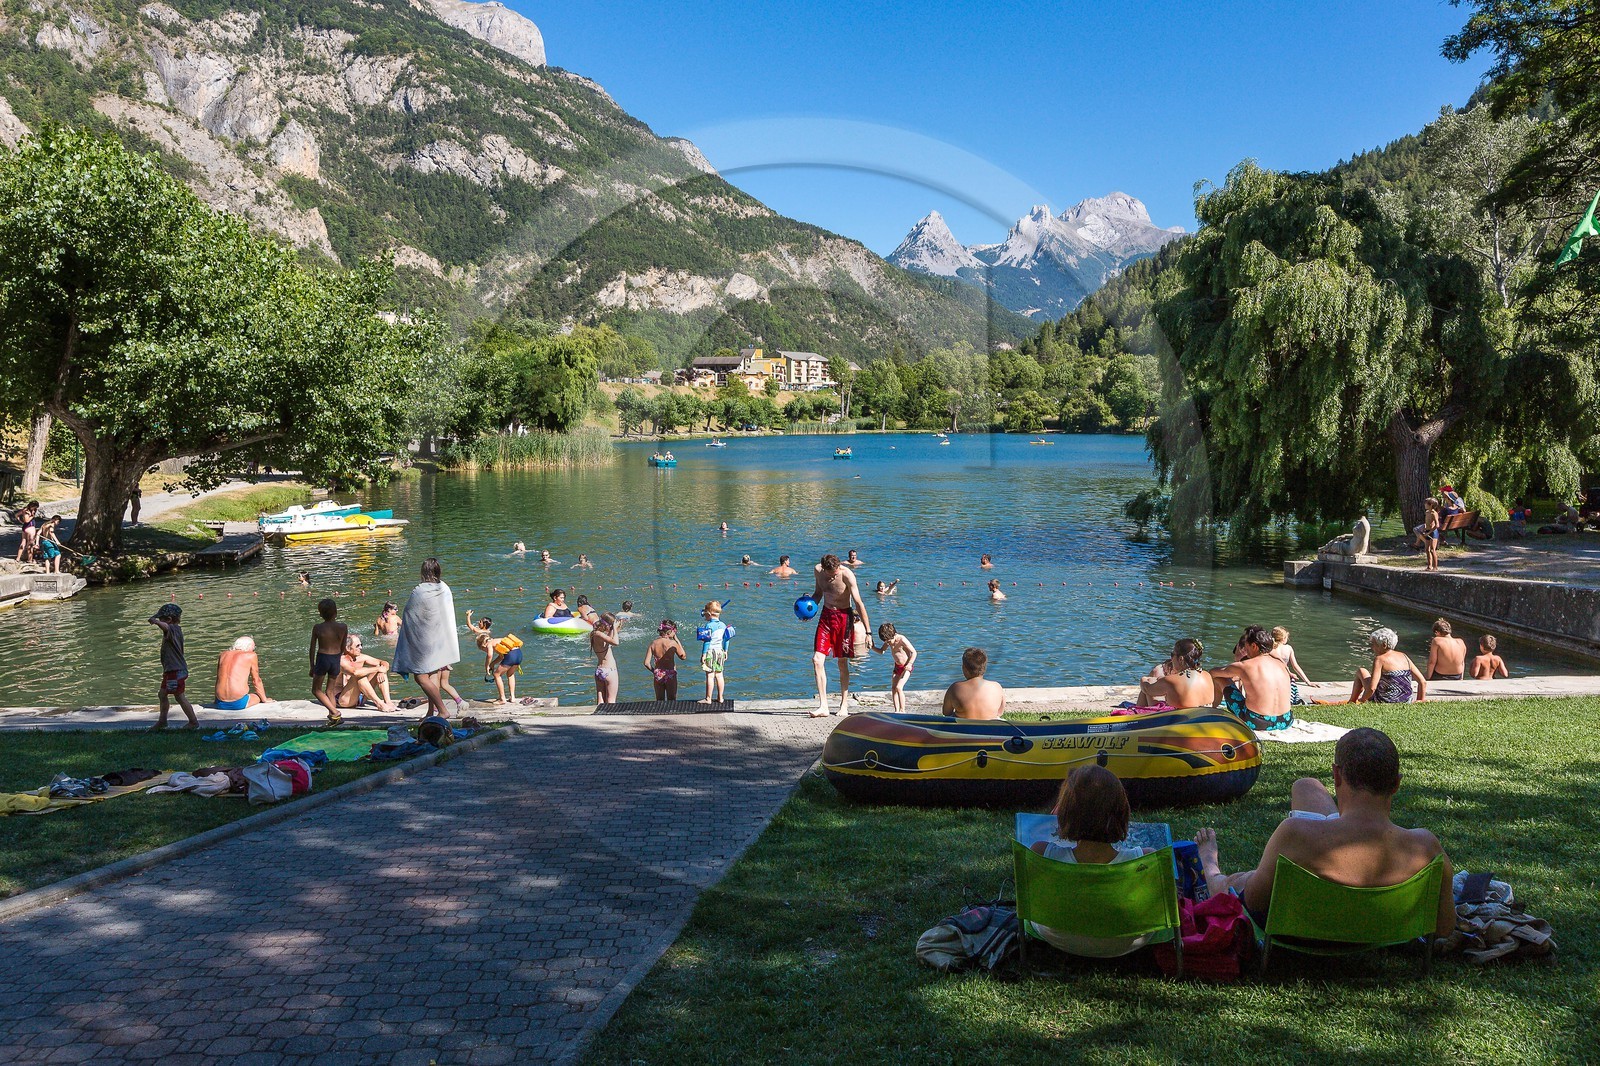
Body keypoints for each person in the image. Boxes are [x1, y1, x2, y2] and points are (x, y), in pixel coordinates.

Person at [1193, 727, 1455, 940]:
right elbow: (1444, 928)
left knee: (1235, 882)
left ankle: (1210, 866)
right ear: (1396, 784)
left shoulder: (1294, 834)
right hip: (1378, 932)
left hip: (1298, 934)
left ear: (1336, 776)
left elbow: (1254, 902)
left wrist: (1220, 867)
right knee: (1306, 787)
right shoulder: (1425, 846)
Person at [1026, 765, 1156, 957]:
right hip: (1128, 942)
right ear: (1122, 811)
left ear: (1064, 812)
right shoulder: (1146, 859)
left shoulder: (1041, 853)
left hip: (1057, 937)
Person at [393, 558, 463, 718]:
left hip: (424, 641)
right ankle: (431, 712)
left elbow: (410, 614)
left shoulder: (419, 590)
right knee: (432, 675)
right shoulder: (444, 587)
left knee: (420, 677)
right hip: (439, 640)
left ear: (423, 572)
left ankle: (442, 710)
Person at [809, 553, 869, 717]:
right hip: (826, 617)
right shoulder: (818, 571)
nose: (833, 575)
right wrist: (808, 608)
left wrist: (868, 631)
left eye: (835, 572)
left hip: (844, 618)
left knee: (842, 662)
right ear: (824, 569)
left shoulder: (847, 574)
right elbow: (818, 594)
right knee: (817, 660)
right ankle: (823, 706)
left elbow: (858, 602)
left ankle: (844, 705)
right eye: (831, 573)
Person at [1210, 625, 1293, 731]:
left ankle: (1211, 710)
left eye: (1246, 645)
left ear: (1254, 646)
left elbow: (1213, 672)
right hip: (1286, 720)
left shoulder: (1244, 666)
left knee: (1220, 678)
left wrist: (1236, 674)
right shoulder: (1281, 663)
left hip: (1256, 722)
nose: (1245, 649)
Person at [147, 604, 198, 729]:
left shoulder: (172, 629)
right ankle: (163, 721)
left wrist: (155, 621)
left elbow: (165, 626)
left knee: (179, 696)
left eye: (162, 619)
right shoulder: (176, 630)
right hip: (173, 670)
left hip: (175, 671)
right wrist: (156, 617)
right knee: (163, 694)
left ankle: (193, 722)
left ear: (169, 620)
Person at [1348, 626, 1427, 704]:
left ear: (1384, 645)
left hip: (1383, 700)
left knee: (1362, 671)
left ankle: (1352, 701)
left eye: (1374, 644)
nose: (1372, 647)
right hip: (1406, 701)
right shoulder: (1404, 656)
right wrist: (1420, 700)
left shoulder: (1380, 659)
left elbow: (1372, 688)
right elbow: (1422, 682)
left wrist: (1362, 700)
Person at [1137, 638, 1212, 709]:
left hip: (1178, 718)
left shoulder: (1171, 681)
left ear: (1180, 659)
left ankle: (1136, 716)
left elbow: (1147, 689)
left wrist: (1144, 679)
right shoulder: (1207, 676)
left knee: (1150, 682)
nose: (1171, 659)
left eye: (1172, 655)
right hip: (1202, 714)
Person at [309, 598, 350, 724]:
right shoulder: (343, 627)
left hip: (323, 658)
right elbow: (343, 647)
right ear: (335, 612)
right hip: (335, 659)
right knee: (330, 690)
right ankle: (334, 718)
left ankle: (335, 712)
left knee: (316, 690)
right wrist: (338, 657)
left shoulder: (318, 628)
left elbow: (312, 648)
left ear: (320, 613)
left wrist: (312, 666)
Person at [333, 634, 397, 712]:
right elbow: (355, 672)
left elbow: (383, 662)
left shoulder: (361, 657)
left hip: (359, 696)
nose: (361, 648)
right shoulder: (341, 660)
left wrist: (382, 670)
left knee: (380, 670)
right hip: (343, 700)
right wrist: (377, 668)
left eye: (361, 645)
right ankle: (380, 704)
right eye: (357, 646)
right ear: (347, 648)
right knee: (359, 676)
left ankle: (388, 702)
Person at [942, 647, 1006, 720]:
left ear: (964, 668)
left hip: (962, 729)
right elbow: (1000, 712)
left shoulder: (955, 688)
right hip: (989, 728)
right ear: (984, 668)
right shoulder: (996, 687)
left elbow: (946, 712)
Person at [214, 636, 269, 711]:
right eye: (253, 647)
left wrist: (216, 701)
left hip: (220, 702)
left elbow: (218, 679)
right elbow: (256, 680)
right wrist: (265, 699)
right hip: (238, 703)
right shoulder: (251, 655)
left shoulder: (223, 655)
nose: (253, 650)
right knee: (258, 696)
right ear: (249, 646)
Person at [874, 622, 917, 713]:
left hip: (906, 667)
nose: (888, 643)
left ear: (893, 635)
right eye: (886, 642)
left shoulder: (901, 639)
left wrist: (909, 664)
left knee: (899, 687)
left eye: (889, 641)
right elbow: (882, 651)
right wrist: (872, 647)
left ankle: (902, 710)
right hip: (897, 667)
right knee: (893, 688)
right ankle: (896, 710)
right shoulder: (888, 641)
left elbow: (914, 652)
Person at [698, 601, 731, 704]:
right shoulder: (723, 625)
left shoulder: (709, 626)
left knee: (710, 676)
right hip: (720, 651)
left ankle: (708, 698)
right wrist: (726, 651)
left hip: (710, 652)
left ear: (709, 613)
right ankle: (721, 698)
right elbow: (727, 639)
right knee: (720, 675)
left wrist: (703, 654)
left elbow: (707, 642)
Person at [645, 620, 687, 701]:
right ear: (670, 631)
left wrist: (655, 671)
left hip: (658, 673)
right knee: (672, 700)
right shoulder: (673, 643)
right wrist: (677, 639)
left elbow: (646, 663)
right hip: (670, 673)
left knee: (659, 700)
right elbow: (683, 656)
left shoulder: (653, 643)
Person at [591, 613, 622, 704]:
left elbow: (609, 638)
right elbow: (615, 642)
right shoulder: (599, 634)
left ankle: (598, 717)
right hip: (609, 670)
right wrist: (615, 629)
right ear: (607, 624)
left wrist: (614, 628)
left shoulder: (594, 634)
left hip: (599, 670)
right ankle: (609, 718)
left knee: (600, 701)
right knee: (611, 701)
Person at [489, 629, 523, 705]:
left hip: (511, 656)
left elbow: (489, 655)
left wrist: (487, 666)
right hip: (519, 654)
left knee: (496, 675)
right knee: (510, 674)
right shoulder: (500, 641)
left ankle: (502, 699)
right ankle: (513, 697)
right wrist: (493, 663)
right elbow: (501, 657)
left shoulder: (489, 644)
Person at [466, 610, 495, 678]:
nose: (478, 623)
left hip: (484, 644)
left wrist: (468, 616)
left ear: (484, 625)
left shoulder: (478, 631)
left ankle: (488, 666)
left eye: (480, 622)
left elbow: (469, 625)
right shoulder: (489, 631)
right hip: (488, 643)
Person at [1421, 498, 1441, 571]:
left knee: (1432, 550)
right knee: (1427, 549)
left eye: (1426, 503)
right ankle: (1429, 566)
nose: (1424, 504)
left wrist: (1429, 532)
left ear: (1431, 505)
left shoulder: (1434, 513)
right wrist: (1425, 529)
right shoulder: (1427, 512)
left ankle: (1435, 567)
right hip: (1427, 531)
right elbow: (1427, 522)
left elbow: (1437, 525)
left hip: (1433, 532)